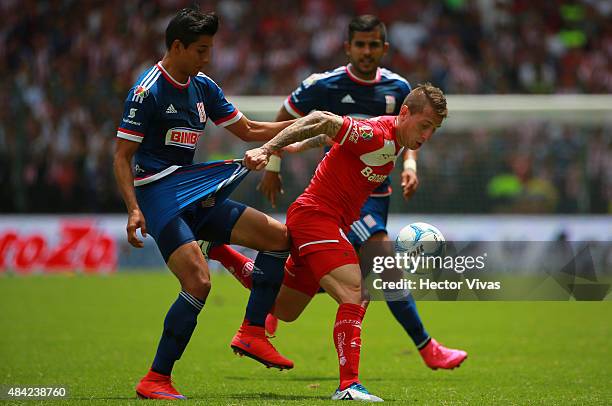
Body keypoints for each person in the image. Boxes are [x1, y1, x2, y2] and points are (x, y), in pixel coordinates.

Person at [212, 15, 467, 371]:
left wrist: (410, 165)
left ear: (384, 48)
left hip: (370, 196)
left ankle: (246, 281)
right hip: (338, 202)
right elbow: (304, 119)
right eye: (360, 44)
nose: (366, 51)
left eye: (373, 44)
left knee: (298, 300)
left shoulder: (398, 90)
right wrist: (272, 155)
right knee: (375, 276)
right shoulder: (328, 87)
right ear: (348, 47)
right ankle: (410, 355)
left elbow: (392, 136)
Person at [113, 8, 296, 400]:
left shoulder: (203, 86)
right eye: (200, 50)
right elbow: (121, 156)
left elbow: (247, 130)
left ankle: (252, 332)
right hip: (159, 196)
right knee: (197, 282)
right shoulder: (146, 92)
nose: (207, 58)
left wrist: (310, 124)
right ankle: (156, 378)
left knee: (279, 237)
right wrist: (133, 208)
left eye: (210, 49)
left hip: (194, 190)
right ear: (177, 46)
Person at [242, 83, 448, 401]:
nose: (426, 136)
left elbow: (327, 136)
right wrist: (269, 149)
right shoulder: (376, 135)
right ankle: (349, 385)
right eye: (424, 126)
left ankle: (218, 248)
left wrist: (300, 147)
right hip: (317, 218)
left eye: (432, 130)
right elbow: (323, 119)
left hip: (321, 220)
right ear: (404, 113)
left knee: (284, 308)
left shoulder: (393, 140)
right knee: (355, 292)